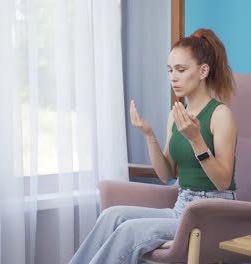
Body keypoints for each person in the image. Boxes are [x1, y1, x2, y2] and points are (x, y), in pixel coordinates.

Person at [69, 28, 237, 264]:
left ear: (203, 71)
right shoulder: (177, 115)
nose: (173, 77)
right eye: (170, 70)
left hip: (209, 213)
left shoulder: (220, 115)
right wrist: (149, 135)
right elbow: (166, 174)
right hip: (181, 208)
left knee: (129, 231)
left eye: (181, 70)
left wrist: (196, 140)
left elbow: (223, 181)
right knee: (112, 215)